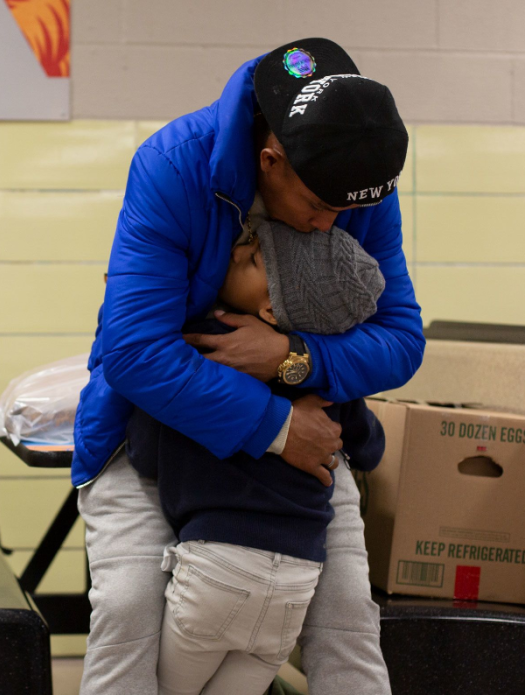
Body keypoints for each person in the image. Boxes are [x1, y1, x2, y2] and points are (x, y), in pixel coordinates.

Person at [73, 38, 424, 695]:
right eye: (321, 209)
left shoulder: (353, 185)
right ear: (271, 160)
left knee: (349, 620)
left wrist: (293, 359)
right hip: (154, 429)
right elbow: (133, 352)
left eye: (350, 211)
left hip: (306, 430)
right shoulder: (175, 165)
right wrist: (279, 426)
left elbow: (402, 339)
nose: (335, 226)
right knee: (127, 613)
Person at [126, 219, 387, 694]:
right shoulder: (323, 376)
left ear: (270, 308)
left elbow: (145, 455)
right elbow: (369, 447)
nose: (234, 253)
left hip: (214, 572)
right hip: (296, 586)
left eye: (250, 258)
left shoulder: (199, 347)